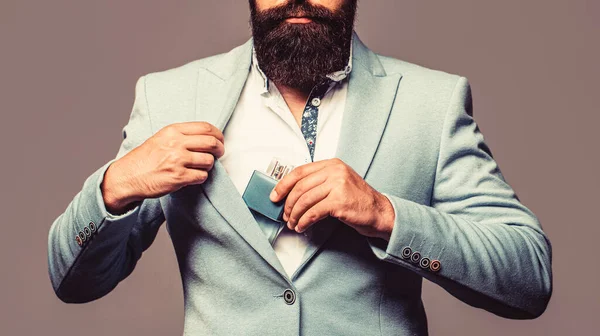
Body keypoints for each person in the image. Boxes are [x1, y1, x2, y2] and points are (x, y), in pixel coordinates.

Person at [47, 0, 553, 335]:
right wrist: (115, 187)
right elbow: (71, 281)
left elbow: (528, 277)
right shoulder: (170, 97)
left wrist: (385, 214)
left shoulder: (430, 103)